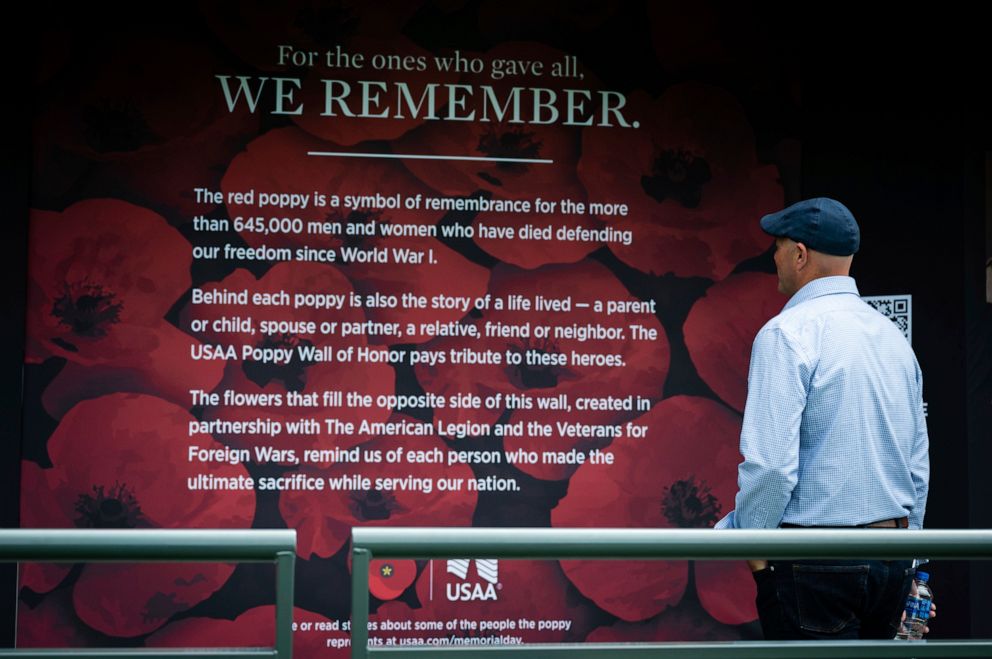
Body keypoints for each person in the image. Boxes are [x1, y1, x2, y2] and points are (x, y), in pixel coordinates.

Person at [714, 197, 930, 640]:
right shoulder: (892, 336)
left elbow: (771, 466)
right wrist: (914, 554)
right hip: (891, 558)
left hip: (815, 560)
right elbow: (917, 465)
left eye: (777, 245)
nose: (772, 256)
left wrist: (749, 544)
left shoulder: (786, 332)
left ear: (799, 254)